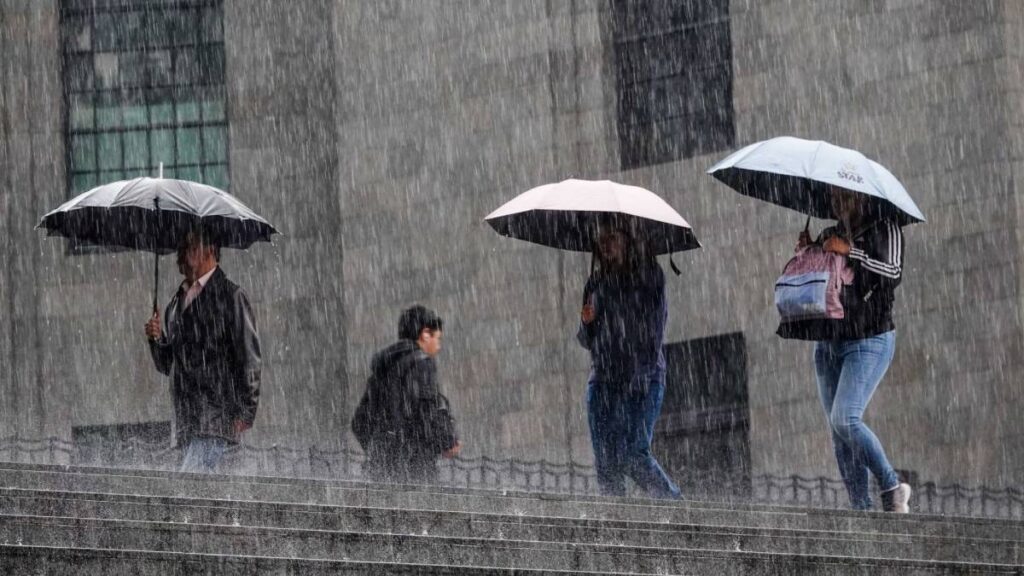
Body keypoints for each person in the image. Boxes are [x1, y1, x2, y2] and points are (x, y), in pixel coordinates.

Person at [779, 187, 912, 512]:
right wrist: (808, 252)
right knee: (839, 433)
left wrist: (852, 252)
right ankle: (860, 509)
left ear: (863, 197)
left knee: (845, 418)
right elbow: (822, 282)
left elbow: (892, 272)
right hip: (829, 342)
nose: (839, 204)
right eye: (835, 198)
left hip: (870, 340)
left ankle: (892, 486)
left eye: (846, 197)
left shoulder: (886, 227)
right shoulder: (830, 232)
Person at [576, 221, 681, 499]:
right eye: (601, 239)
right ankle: (617, 523)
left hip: (642, 377)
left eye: (612, 237)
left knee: (633, 453)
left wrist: (640, 377)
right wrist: (586, 322)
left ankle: (674, 504)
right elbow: (586, 340)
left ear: (626, 239)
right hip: (603, 380)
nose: (605, 244)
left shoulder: (649, 276)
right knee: (606, 461)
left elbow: (655, 329)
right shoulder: (595, 282)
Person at [144, 227, 261, 473]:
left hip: (216, 417)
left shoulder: (231, 296)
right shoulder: (175, 304)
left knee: (188, 486)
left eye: (190, 247)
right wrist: (156, 339)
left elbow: (249, 356)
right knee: (202, 493)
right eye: (181, 249)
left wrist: (246, 411)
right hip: (187, 419)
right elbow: (169, 364)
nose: (183, 255)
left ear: (210, 250)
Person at [352, 305, 461, 484]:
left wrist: (381, 448)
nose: (438, 346)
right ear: (425, 334)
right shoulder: (422, 363)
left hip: (380, 469)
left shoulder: (384, 368)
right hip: (414, 469)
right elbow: (427, 410)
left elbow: (359, 421)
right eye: (438, 339)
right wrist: (448, 442)